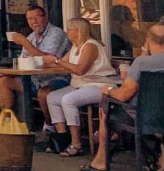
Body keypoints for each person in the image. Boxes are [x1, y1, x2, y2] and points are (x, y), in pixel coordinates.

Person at [85, 24, 164, 171]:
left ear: (148, 40)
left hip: (144, 119)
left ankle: (101, 160)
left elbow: (124, 95)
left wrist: (108, 90)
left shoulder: (142, 63)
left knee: (105, 106)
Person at [42, 17, 119, 156]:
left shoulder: (90, 46)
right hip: (80, 84)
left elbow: (80, 70)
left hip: (99, 85)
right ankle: (62, 138)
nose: (67, 32)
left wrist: (57, 61)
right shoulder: (75, 47)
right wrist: (42, 61)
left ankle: (76, 143)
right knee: (52, 97)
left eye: (70, 29)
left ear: (78, 31)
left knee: (68, 100)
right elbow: (61, 63)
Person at [0, 6, 70, 127]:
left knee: (43, 93)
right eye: (30, 19)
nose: (34, 22)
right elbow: (24, 62)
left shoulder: (56, 33)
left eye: (37, 17)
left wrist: (24, 42)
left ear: (45, 18)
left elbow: (46, 60)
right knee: (4, 80)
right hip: (35, 80)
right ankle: (8, 123)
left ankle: (50, 127)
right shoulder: (31, 37)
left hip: (57, 79)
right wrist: (8, 72)